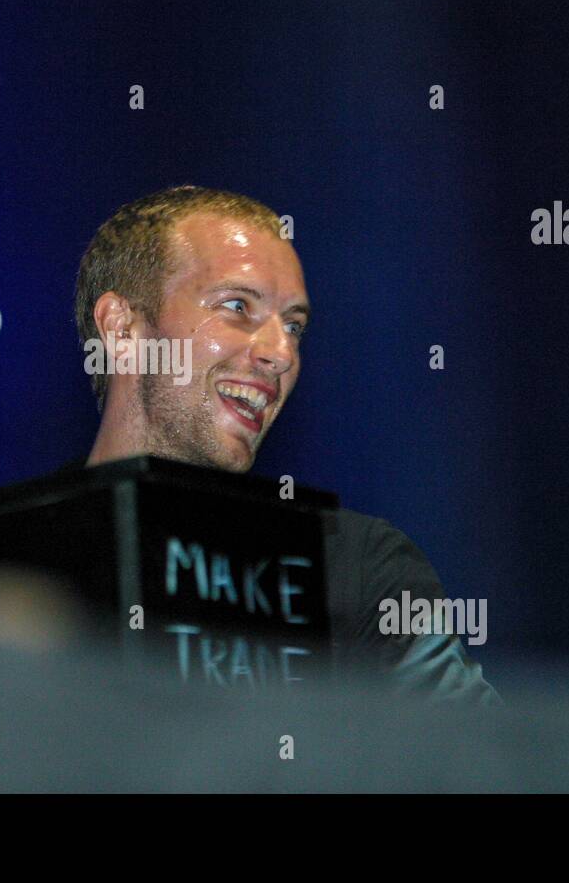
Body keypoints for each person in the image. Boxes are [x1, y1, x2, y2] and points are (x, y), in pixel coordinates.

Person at [73, 185, 499, 704]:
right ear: (122, 329)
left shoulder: (358, 569)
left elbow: (483, 766)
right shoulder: (4, 563)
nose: (282, 353)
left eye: (294, 326)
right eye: (237, 306)